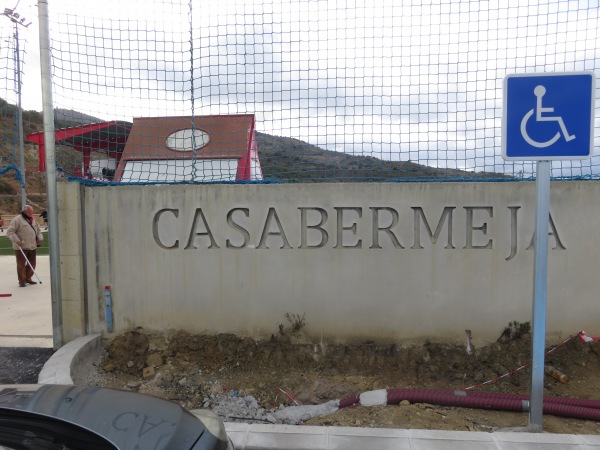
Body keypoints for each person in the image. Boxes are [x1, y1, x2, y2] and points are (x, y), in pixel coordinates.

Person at [6, 205, 43, 287]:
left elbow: (38, 231)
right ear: (24, 211)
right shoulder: (17, 220)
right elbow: (10, 232)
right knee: (21, 265)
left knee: (32, 264)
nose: (30, 213)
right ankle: (22, 281)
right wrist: (17, 241)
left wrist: (40, 238)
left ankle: (28, 278)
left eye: (31, 211)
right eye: (29, 211)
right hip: (21, 247)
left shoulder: (33, 220)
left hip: (32, 246)